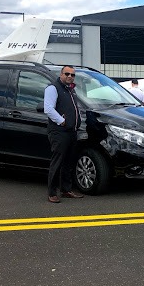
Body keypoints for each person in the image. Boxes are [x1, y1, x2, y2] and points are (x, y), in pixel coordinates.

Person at [43, 65, 85, 203]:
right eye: (67, 73)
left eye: (72, 75)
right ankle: (52, 192)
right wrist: (61, 121)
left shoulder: (71, 90)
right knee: (58, 161)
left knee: (68, 162)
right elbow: (48, 108)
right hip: (59, 132)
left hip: (71, 131)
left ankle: (66, 190)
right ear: (61, 74)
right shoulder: (53, 88)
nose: (70, 76)